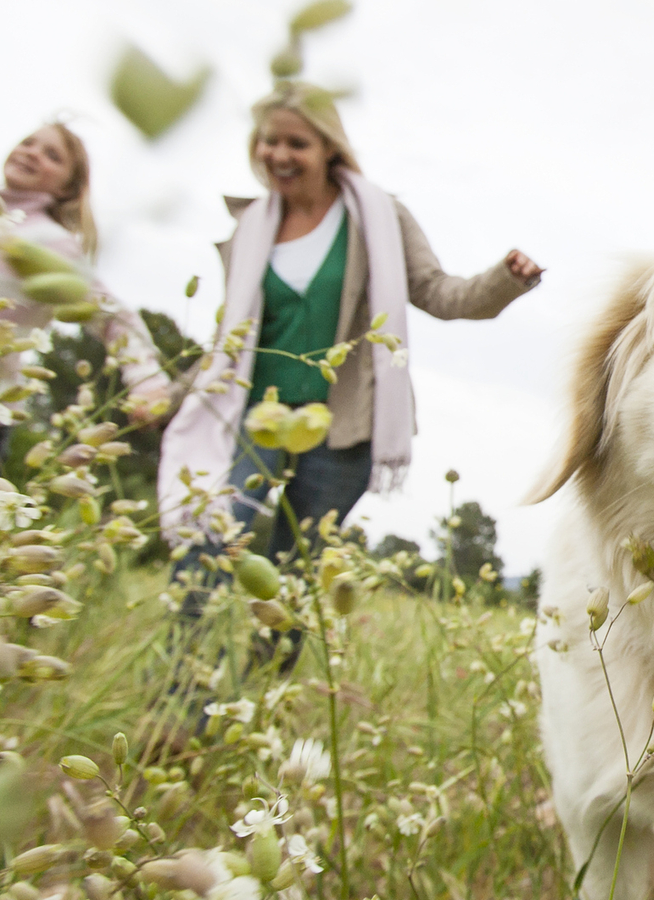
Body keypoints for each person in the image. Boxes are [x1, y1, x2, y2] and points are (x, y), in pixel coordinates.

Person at [157, 82, 542, 648]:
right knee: (208, 540)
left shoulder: (378, 217)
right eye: (268, 142)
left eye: (297, 143)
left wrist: (504, 280)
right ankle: (181, 699)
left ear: (329, 148)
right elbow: (230, 341)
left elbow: (440, 294)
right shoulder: (251, 228)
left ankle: (265, 701)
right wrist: (167, 397)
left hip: (345, 426)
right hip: (253, 420)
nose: (279, 155)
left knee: (294, 575)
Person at [0, 123, 173, 453]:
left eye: (52, 155)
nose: (32, 153)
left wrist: (147, 382)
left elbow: (112, 317)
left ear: (67, 187)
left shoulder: (52, 242)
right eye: (28, 143)